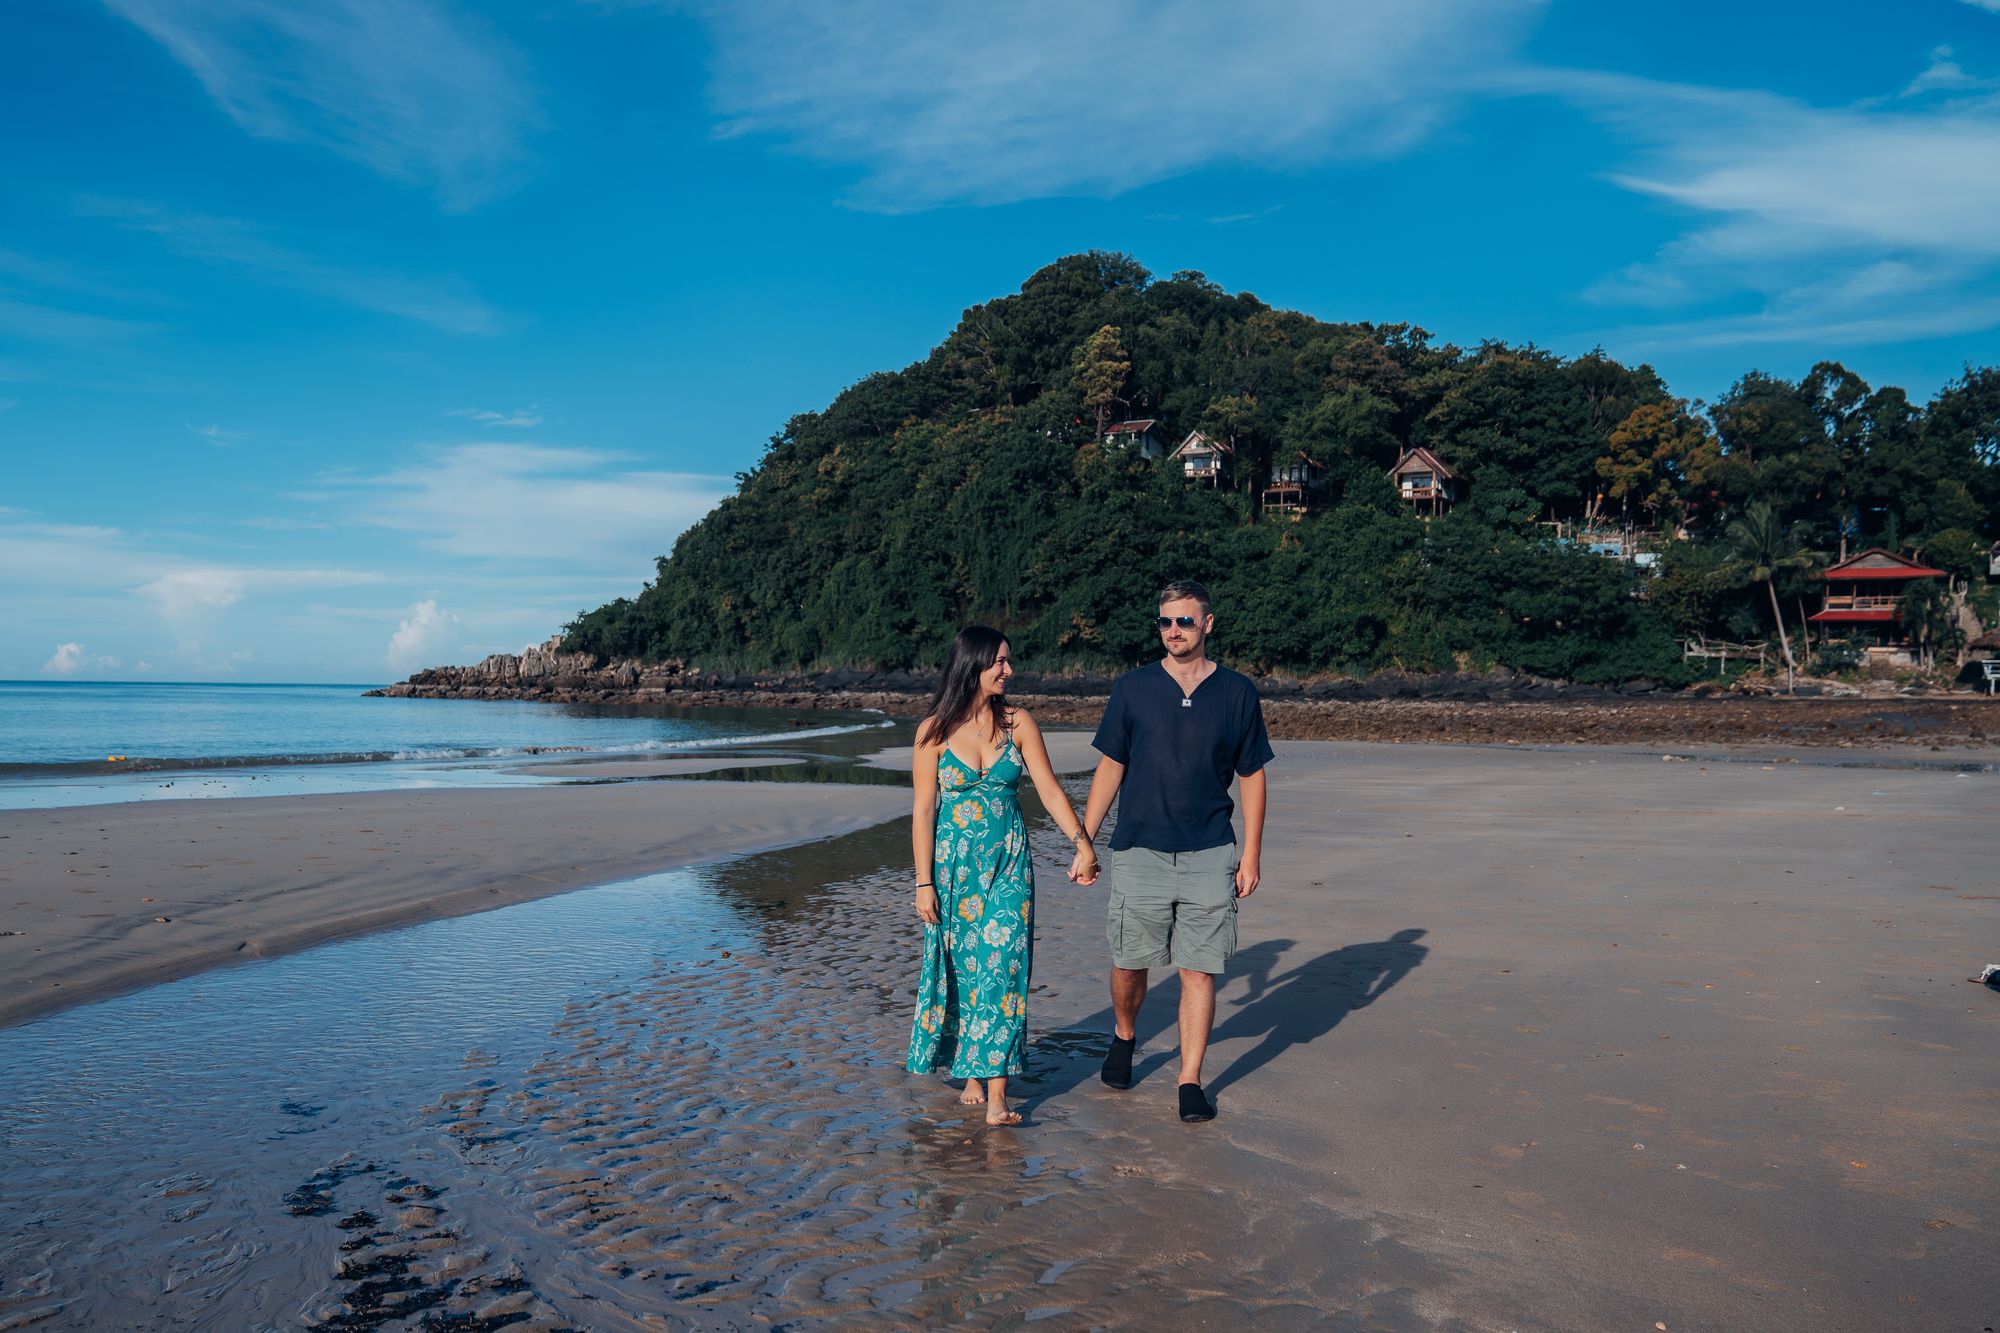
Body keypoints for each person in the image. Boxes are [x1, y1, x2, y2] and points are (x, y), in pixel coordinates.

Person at [1080, 579, 1273, 1122]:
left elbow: (1252, 775)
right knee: (1129, 961)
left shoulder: (1237, 693)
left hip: (1210, 850)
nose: (1173, 632)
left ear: (1207, 624)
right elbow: (1111, 765)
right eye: (1165, 622)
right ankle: (1124, 1035)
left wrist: (1252, 853)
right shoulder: (1133, 688)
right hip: (1140, 847)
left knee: (1199, 968)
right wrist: (1084, 840)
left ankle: (1190, 1079)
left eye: (1185, 621)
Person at [906, 626, 1100, 1126]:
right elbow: (924, 811)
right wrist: (922, 882)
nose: (1008, 671)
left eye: (1008, 662)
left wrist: (1083, 845)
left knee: (1004, 968)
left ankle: (997, 1097)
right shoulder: (932, 732)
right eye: (999, 663)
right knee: (965, 972)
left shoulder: (1019, 724)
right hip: (952, 873)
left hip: (1009, 866)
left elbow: (1051, 793)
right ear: (973, 665)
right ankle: (972, 1070)